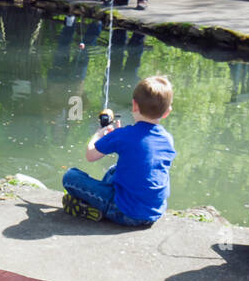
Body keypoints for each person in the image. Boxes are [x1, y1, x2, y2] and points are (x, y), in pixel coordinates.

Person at [61, 75, 176, 226]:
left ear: (134, 105)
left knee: (71, 176)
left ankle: (97, 207)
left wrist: (99, 134)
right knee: (114, 170)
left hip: (125, 212)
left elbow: (90, 154)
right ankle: (103, 201)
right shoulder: (167, 138)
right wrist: (118, 138)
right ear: (167, 112)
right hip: (153, 212)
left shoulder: (123, 135)